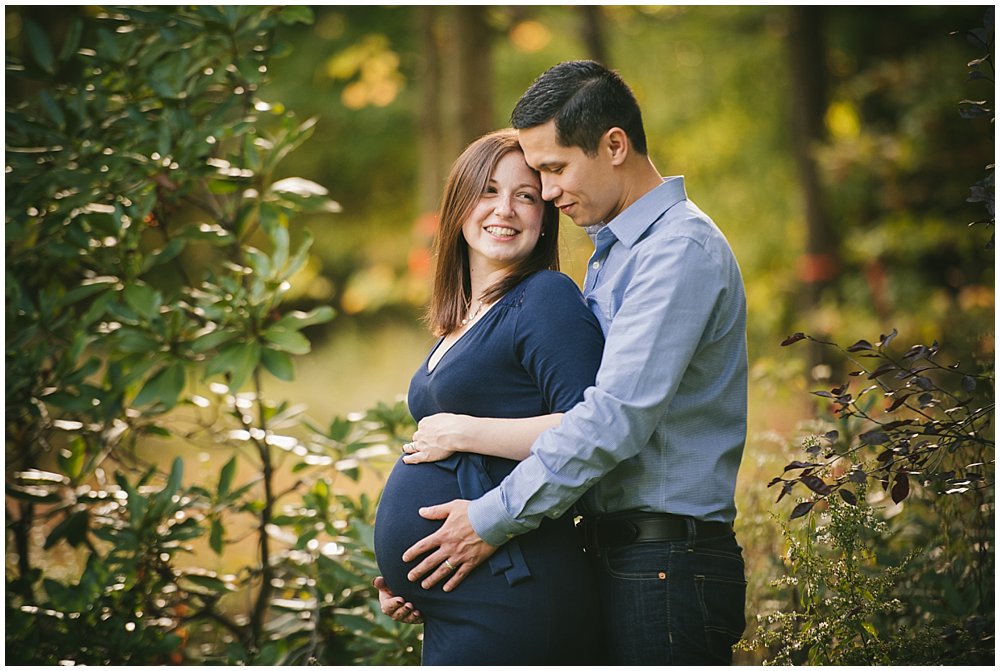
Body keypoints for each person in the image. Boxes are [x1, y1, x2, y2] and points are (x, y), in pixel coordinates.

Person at [394, 60, 750, 665]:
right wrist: (429, 560)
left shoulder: (676, 251)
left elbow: (612, 420)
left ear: (614, 145)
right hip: (615, 555)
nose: (550, 193)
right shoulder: (615, 256)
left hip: (665, 563)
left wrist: (487, 521)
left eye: (553, 171)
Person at [371, 128, 607, 665]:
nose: (506, 209)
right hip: (464, 592)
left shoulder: (544, 297)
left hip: (513, 588)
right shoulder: (463, 320)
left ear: (545, 215)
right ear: (458, 204)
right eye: (488, 190)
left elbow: (592, 430)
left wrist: (464, 430)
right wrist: (409, 576)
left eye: (526, 195)